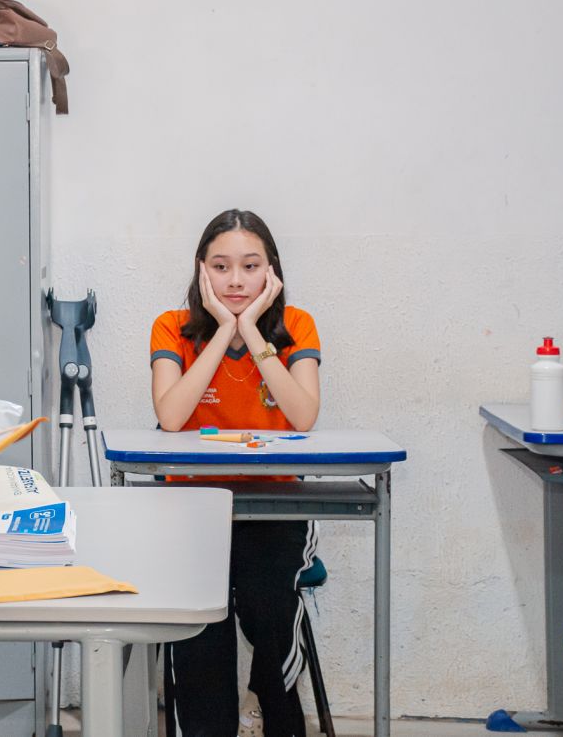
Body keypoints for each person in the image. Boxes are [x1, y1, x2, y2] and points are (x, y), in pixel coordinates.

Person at [149, 209, 322, 737]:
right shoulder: (171, 327)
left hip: (275, 506)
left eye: (250, 266)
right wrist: (225, 328)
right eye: (221, 267)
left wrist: (251, 330)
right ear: (201, 270)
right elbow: (170, 415)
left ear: (272, 271)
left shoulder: (296, 326)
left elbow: (304, 415)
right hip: (192, 508)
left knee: (270, 612)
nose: (236, 280)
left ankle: (274, 716)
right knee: (200, 626)